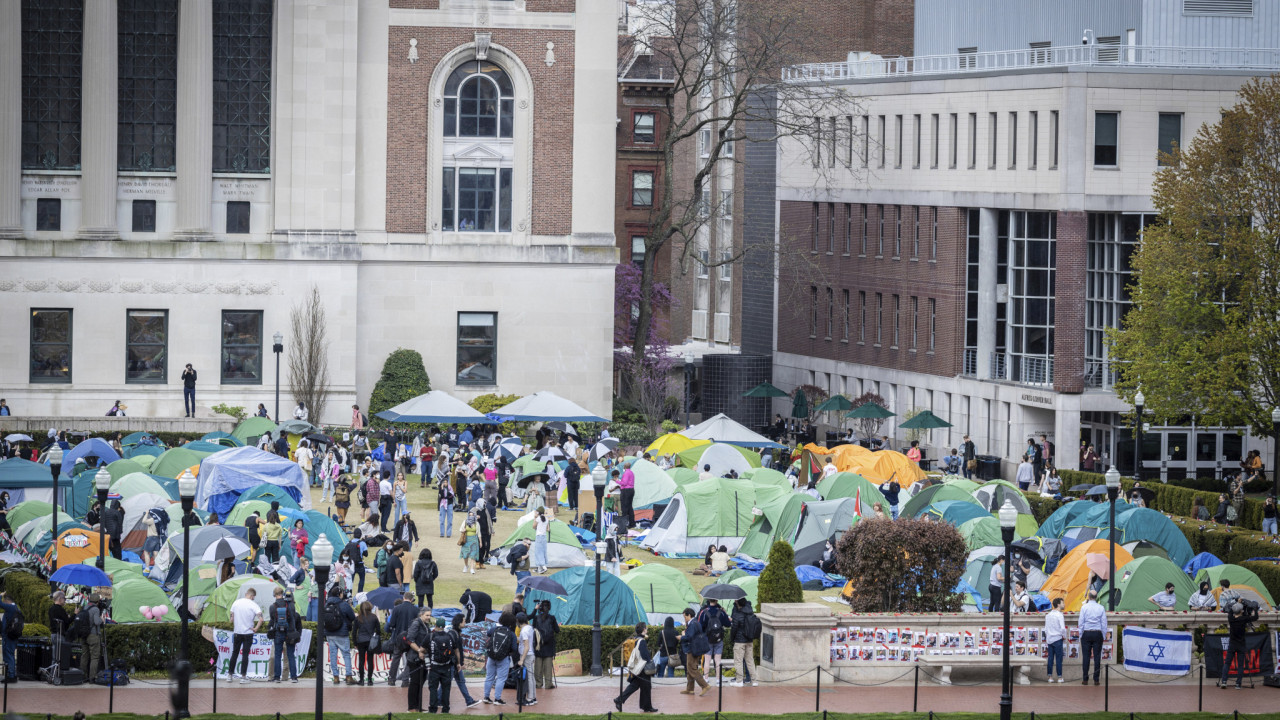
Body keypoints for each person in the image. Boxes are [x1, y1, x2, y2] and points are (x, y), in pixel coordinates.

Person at [613, 622, 659, 713]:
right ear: (643, 630)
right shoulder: (642, 641)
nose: (647, 630)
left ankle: (620, 700)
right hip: (642, 668)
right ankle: (646, 706)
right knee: (646, 687)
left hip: (637, 668)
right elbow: (645, 655)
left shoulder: (635, 639)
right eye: (646, 628)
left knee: (635, 686)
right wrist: (650, 660)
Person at [1221, 599, 1259, 689]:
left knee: (1227, 663)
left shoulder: (1231, 619)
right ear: (1241, 611)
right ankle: (1238, 684)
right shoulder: (1244, 619)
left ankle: (1224, 681)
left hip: (1232, 644)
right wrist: (1255, 609)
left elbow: (1230, 610)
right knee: (1241, 665)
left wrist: (1236, 603)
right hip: (1241, 644)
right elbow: (1255, 617)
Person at [483, 612, 519, 705]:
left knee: (489, 677)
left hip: (491, 656)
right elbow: (514, 648)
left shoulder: (495, 629)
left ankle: (486, 697)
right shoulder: (511, 634)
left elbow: (488, 633)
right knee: (501, 678)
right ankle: (497, 699)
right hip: (504, 658)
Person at [267, 587, 301, 683]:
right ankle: (294, 677)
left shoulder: (272, 606)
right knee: (290, 655)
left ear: (274, 595)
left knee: (277, 655)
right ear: (283, 593)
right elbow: (294, 617)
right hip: (289, 633)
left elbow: (272, 620)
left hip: (278, 632)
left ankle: (277, 677)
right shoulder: (290, 605)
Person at [448, 613, 482, 708]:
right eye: (464, 621)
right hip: (454, 664)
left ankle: (469, 700)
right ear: (459, 622)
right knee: (449, 682)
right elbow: (457, 650)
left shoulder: (454, 633)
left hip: (454, 664)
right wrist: (459, 663)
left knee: (459, 681)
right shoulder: (455, 634)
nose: (465, 622)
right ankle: (469, 700)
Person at [230, 588, 263, 683]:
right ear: (252, 596)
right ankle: (243, 677)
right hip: (248, 633)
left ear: (246, 594)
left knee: (234, 653)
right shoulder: (254, 605)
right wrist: (256, 628)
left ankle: (229, 675)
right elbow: (261, 619)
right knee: (245, 655)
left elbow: (231, 617)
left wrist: (234, 622)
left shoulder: (236, 602)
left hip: (237, 632)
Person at [424, 617, 457, 713]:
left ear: (435, 626)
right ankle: (446, 709)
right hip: (446, 667)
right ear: (444, 626)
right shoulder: (450, 636)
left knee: (433, 688)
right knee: (446, 689)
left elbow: (422, 649)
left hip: (434, 667)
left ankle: (433, 709)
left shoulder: (430, 636)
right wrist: (458, 663)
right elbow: (455, 650)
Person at [325, 589, 357, 685]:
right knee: (346, 654)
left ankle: (335, 677)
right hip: (342, 633)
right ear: (340, 594)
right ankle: (348, 676)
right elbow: (352, 617)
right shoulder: (344, 605)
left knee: (333, 655)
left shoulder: (326, 604)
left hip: (329, 633)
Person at [404, 606, 433, 711]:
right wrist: (419, 651)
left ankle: (418, 706)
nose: (429, 617)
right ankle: (412, 707)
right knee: (415, 682)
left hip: (423, 658)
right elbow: (409, 640)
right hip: (414, 658)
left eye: (430, 615)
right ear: (421, 614)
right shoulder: (416, 624)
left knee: (421, 682)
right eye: (427, 615)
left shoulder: (425, 625)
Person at [679, 608, 711, 696]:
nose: (684, 618)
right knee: (690, 668)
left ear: (689, 615)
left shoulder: (692, 624)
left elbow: (689, 637)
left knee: (692, 669)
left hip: (692, 649)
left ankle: (705, 685)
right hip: (696, 648)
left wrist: (681, 637)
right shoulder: (695, 622)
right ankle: (690, 689)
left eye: (685, 616)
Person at [1078, 589, 1107, 685]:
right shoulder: (1101, 608)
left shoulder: (1084, 607)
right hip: (1097, 632)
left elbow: (1081, 622)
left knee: (1086, 657)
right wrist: (1103, 634)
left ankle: (1085, 679)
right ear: (1096, 597)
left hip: (1086, 632)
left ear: (1089, 597)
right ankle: (1096, 679)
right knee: (1097, 656)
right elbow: (1104, 623)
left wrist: (1081, 634)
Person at [729, 597, 760, 686]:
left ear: (738, 603)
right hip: (749, 640)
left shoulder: (738, 614)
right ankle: (754, 680)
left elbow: (734, 628)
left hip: (739, 641)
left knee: (738, 661)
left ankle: (739, 681)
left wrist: (732, 638)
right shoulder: (750, 612)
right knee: (750, 660)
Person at [532, 600, 560, 691]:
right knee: (548, 667)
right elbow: (557, 630)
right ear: (549, 607)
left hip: (538, 645)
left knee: (538, 666)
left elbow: (533, 629)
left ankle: (538, 683)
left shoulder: (536, 618)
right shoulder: (552, 618)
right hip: (549, 645)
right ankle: (548, 684)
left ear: (540, 608)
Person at [352, 600, 380, 686]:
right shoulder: (374, 617)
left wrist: (355, 643)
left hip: (361, 641)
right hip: (371, 641)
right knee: (370, 660)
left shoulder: (358, 618)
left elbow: (354, 632)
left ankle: (361, 680)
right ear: (370, 607)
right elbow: (378, 631)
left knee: (361, 660)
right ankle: (370, 680)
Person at [516, 612, 536, 705]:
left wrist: (521, 660)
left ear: (518, 621)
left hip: (526, 656)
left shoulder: (524, 631)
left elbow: (526, 647)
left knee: (528, 677)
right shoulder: (529, 627)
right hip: (531, 655)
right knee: (531, 676)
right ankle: (533, 697)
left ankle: (530, 698)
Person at [1044, 597, 1065, 682]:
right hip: (1057, 638)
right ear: (1058, 604)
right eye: (1063, 603)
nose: (1064, 604)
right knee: (1059, 659)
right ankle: (1059, 677)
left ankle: (1050, 677)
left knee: (1050, 659)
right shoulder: (1060, 615)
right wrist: (1064, 636)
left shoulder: (1048, 615)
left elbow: (1045, 629)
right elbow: (1062, 628)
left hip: (1050, 639)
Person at [532, 509, 550, 574]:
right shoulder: (546, 518)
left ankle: (543, 567)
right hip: (544, 537)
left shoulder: (538, 519)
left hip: (539, 536)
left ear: (538, 512)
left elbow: (533, 526)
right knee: (543, 551)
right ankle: (539, 568)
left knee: (538, 552)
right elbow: (548, 529)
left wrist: (534, 518)